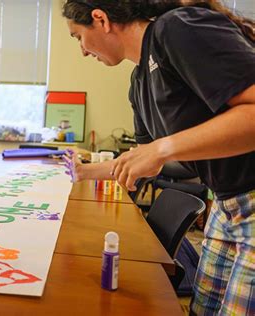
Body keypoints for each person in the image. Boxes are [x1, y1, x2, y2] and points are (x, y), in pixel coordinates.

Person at [61, 1, 254, 315]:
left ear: (100, 19)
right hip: (225, 204)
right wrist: (82, 172)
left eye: (77, 36)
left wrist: (164, 148)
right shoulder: (139, 83)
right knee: (202, 309)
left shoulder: (176, 28)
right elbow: (142, 158)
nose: (82, 51)